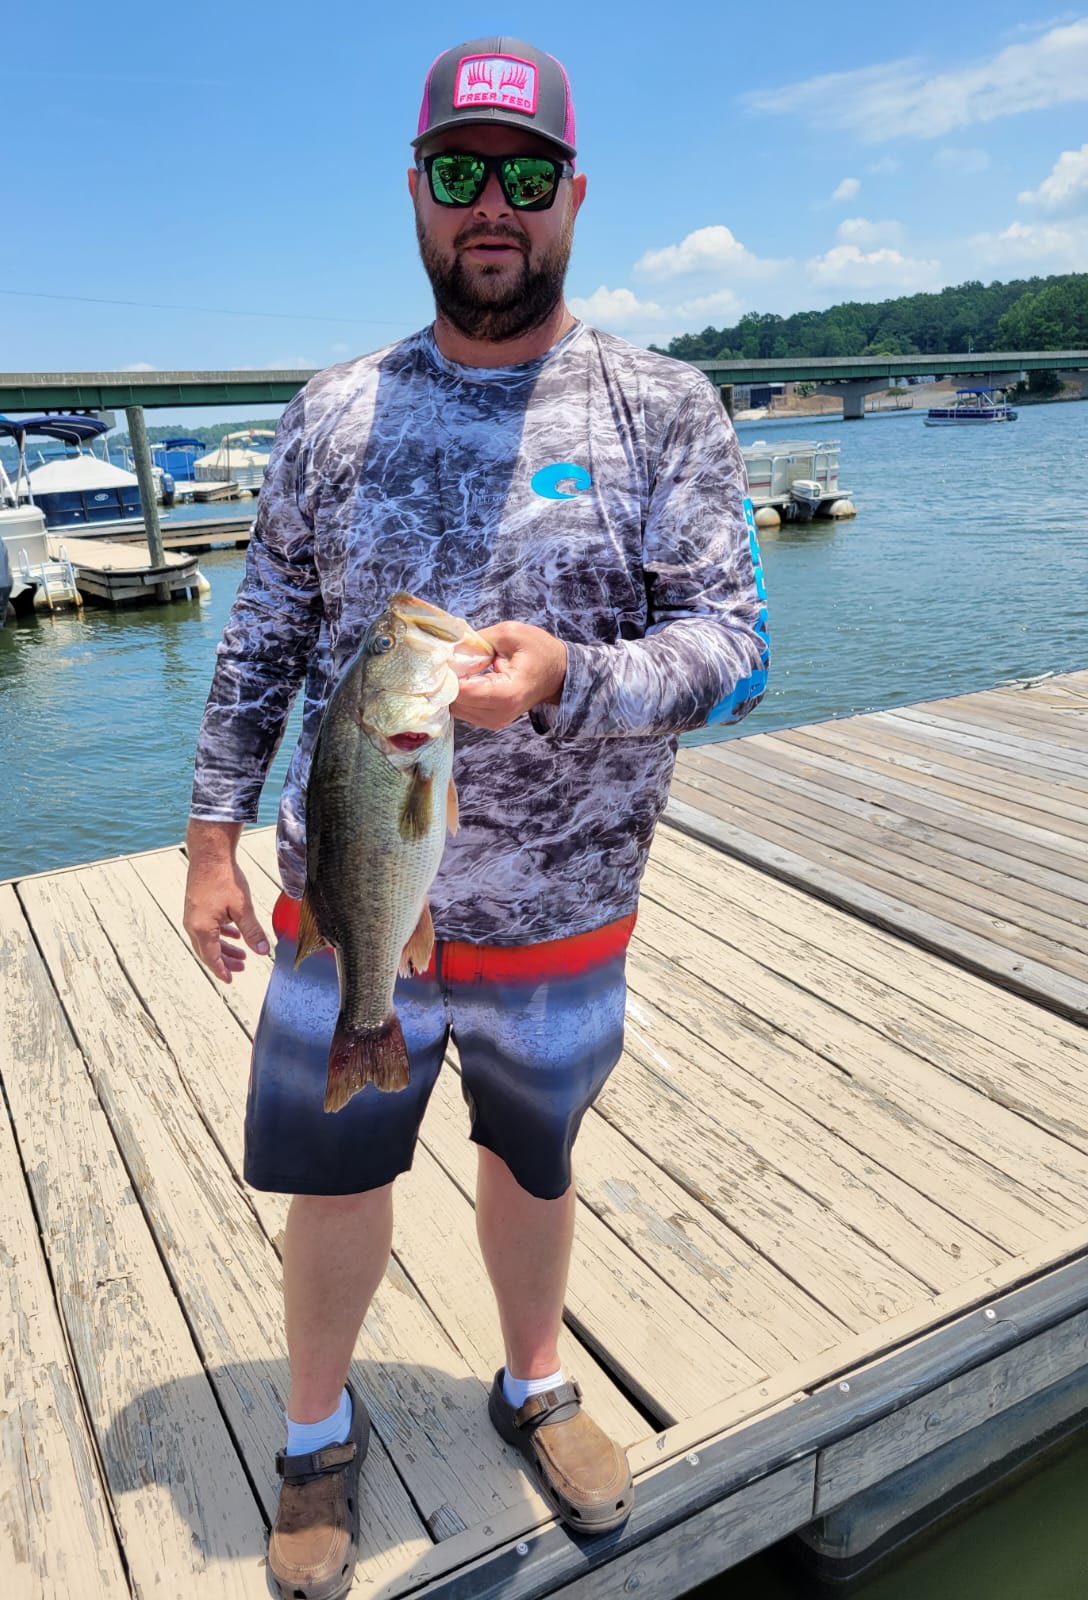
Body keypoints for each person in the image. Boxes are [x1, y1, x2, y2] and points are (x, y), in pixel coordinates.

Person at [184, 34, 769, 1600]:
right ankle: (315, 1434)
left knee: (536, 1160)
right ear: (420, 195)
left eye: (521, 175)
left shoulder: (665, 407)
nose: (489, 206)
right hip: (351, 898)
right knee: (339, 1174)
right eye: (459, 175)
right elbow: (259, 641)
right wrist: (208, 842)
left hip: (569, 918)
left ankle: (536, 1383)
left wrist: (575, 672)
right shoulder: (334, 412)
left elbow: (736, 651)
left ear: (571, 191)